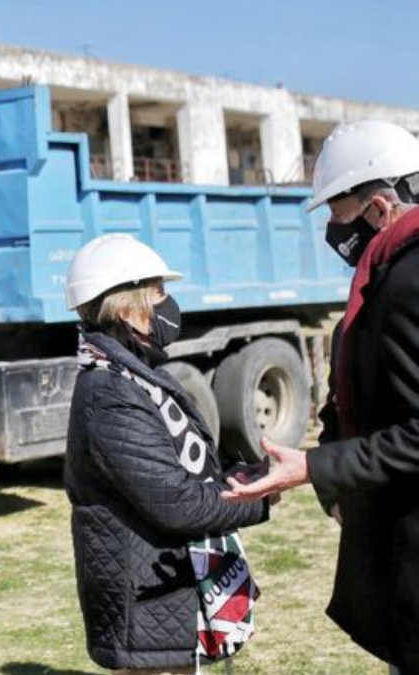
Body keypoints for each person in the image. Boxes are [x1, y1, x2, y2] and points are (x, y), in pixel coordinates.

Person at [222, 120, 419, 674]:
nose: (333, 231)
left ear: (378, 207)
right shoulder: (389, 271)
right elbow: (364, 395)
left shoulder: (409, 282)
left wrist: (313, 467)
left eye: (337, 212)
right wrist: (335, 484)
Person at [64, 234, 271, 675]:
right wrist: (258, 499)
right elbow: (176, 503)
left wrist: (239, 477)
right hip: (143, 593)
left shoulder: (134, 374)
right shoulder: (110, 393)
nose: (169, 304)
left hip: (162, 583)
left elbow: (182, 469)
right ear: (128, 308)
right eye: (159, 292)